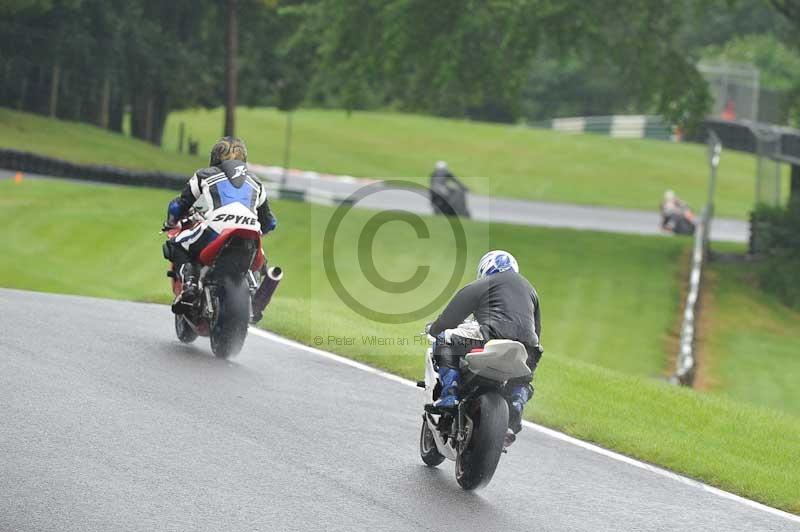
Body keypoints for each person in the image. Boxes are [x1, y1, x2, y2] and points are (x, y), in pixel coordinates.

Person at [426, 250, 542, 442]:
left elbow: (449, 320)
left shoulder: (484, 283)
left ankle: (449, 395)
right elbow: (537, 331)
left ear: (485, 268)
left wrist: (434, 330)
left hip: (491, 336)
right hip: (528, 348)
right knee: (522, 379)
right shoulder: (531, 290)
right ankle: (516, 406)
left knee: (443, 339)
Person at [162, 136, 277, 314]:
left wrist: (171, 222)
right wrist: (264, 228)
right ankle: (257, 292)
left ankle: (190, 285)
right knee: (260, 259)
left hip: (216, 228)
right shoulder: (256, 182)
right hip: (250, 230)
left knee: (175, 244)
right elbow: (269, 221)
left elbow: (179, 205)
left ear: (215, 157)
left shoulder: (204, 175)